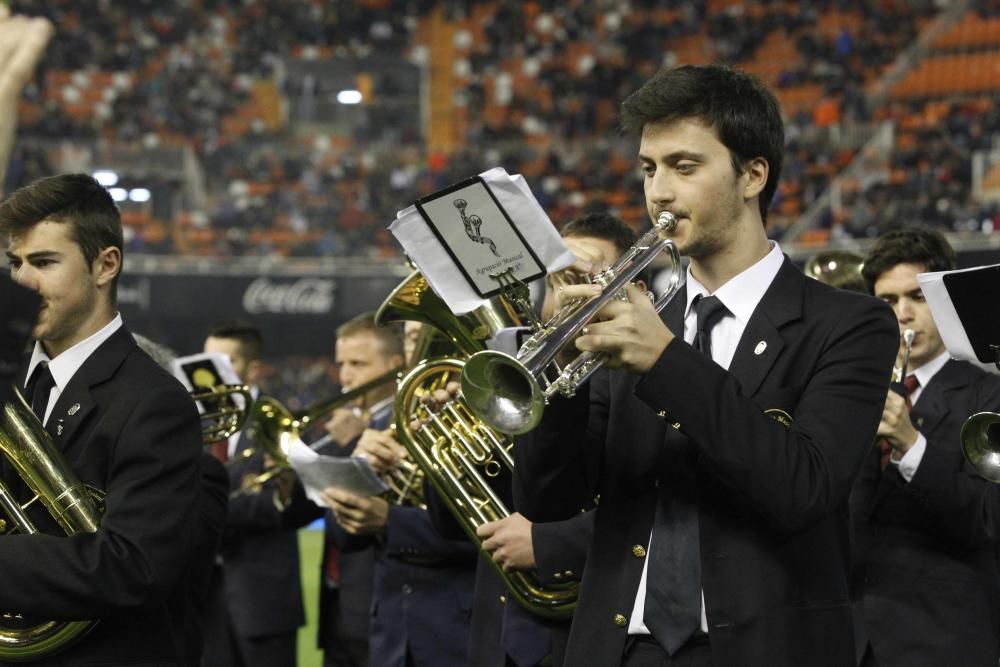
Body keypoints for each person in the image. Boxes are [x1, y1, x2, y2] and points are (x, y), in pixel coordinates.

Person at [511, 64, 899, 666]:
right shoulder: (635, 323)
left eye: (684, 167)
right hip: (620, 651)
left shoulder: (850, 324)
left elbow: (805, 488)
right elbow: (549, 502)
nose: (659, 192)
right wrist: (557, 381)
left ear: (753, 174)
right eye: (649, 168)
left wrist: (665, 360)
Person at [0, 173, 203, 664]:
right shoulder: (9, 375)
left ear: (105, 265)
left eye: (44, 262)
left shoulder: (156, 401)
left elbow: (132, 565)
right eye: (14, 264)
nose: (24, 282)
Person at [850, 227, 1000, 667]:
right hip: (853, 637)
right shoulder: (853, 391)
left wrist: (911, 444)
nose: (904, 314)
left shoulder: (986, 394)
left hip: (944, 638)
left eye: (917, 297)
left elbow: (988, 522)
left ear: (944, 303)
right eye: (888, 301)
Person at [318, 312, 477, 667]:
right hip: (391, 630)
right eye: (410, 337)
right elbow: (340, 535)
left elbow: (490, 534)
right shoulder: (382, 422)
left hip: (460, 628)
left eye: (429, 335)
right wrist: (357, 473)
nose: (419, 347)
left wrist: (390, 521)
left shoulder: (488, 419)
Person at [200, 320, 309, 667]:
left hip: (263, 599)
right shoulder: (193, 424)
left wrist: (204, 513)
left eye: (223, 363)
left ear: (254, 369)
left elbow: (282, 506)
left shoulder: (277, 423)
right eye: (205, 363)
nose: (210, 373)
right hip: (202, 597)